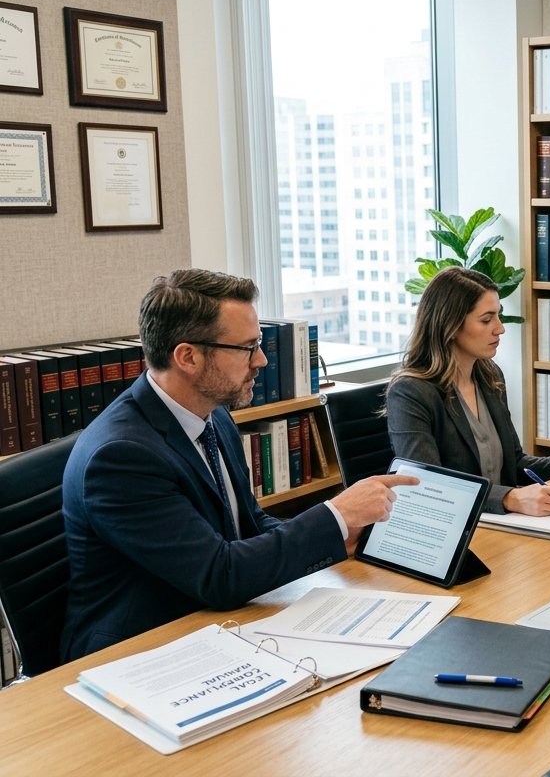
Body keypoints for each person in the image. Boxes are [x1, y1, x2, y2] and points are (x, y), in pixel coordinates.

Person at [62, 270, 409, 662]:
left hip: (211, 624)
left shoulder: (214, 416)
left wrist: (340, 537)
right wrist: (334, 516)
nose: (261, 360)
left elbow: (250, 524)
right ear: (188, 356)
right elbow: (219, 575)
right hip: (137, 651)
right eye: (247, 348)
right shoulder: (121, 457)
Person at [386, 266, 550, 516]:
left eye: (498, 316)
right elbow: (428, 486)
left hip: (497, 523)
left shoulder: (489, 375)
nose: (500, 328)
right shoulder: (410, 392)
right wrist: (508, 498)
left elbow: (514, 462)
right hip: (452, 529)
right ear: (450, 326)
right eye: (486, 319)